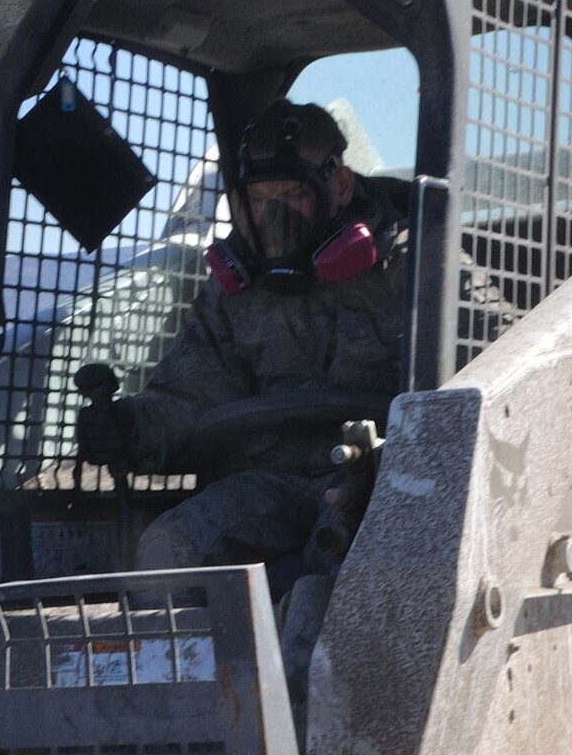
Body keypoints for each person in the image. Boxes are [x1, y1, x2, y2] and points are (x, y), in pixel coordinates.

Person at [76, 99, 408, 573]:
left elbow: (493, 371)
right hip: (269, 483)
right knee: (169, 549)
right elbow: (193, 394)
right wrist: (129, 427)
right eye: (258, 198)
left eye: (291, 193)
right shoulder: (232, 292)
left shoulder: (420, 264)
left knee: (350, 566)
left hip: (387, 481)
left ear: (339, 186)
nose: (272, 214)